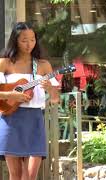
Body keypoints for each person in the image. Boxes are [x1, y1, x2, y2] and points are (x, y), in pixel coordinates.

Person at [0, 22, 59, 180]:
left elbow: (55, 99)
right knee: (16, 174)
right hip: (11, 119)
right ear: (15, 40)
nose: (29, 44)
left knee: (30, 176)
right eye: (24, 40)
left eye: (32, 40)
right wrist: (11, 96)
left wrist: (50, 89)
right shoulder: (4, 63)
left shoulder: (43, 65)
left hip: (35, 119)